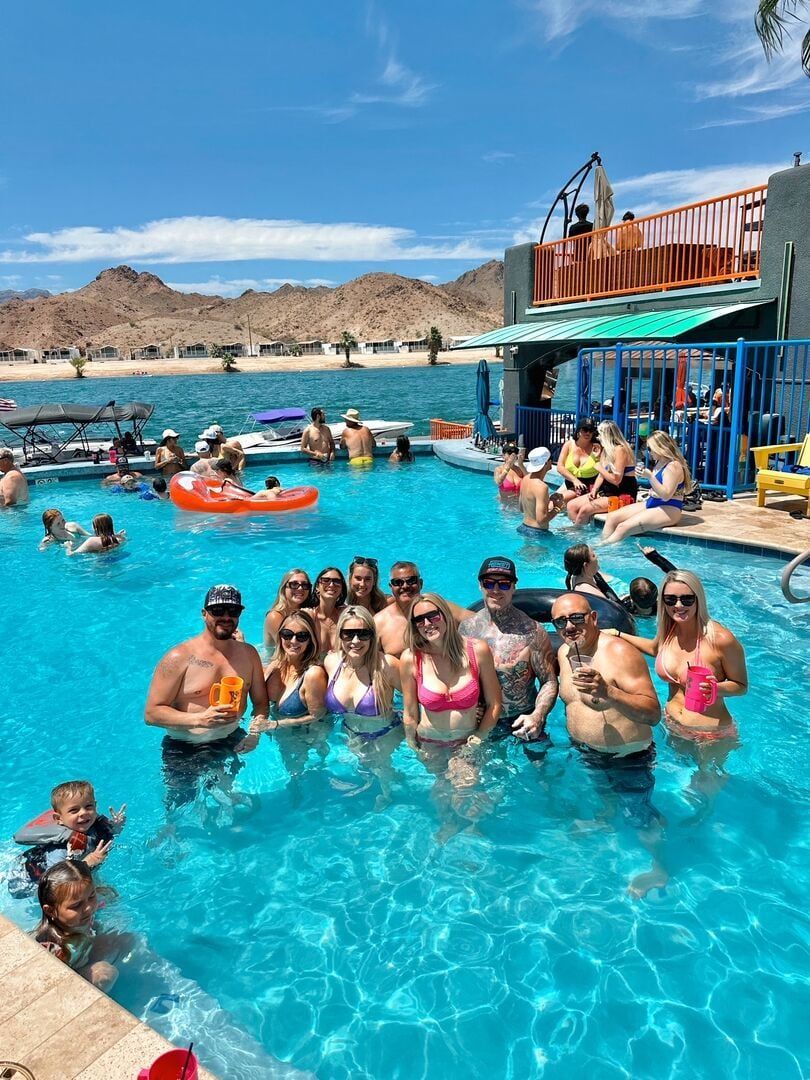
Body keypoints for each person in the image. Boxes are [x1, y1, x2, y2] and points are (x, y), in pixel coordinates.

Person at [551, 592, 666, 895]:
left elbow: (653, 713)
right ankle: (604, 818)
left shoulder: (619, 652)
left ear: (594, 618)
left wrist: (609, 692)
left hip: (628, 756)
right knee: (604, 796)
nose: (569, 626)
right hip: (588, 752)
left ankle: (660, 868)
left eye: (577, 618)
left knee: (639, 815)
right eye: (560, 621)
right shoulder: (565, 652)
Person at [144, 585, 269, 808]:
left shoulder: (249, 655)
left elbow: (260, 703)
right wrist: (199, 719)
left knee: (228, 800)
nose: (226, 617)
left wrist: (255, 734)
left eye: (233, 611)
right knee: (181, 809)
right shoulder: (179, 657)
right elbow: (152, 713)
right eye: (218, 610)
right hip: (185, 746)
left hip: (231, 740)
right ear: (204, 614)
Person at [610, 570, 747, 744]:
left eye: (687, 599)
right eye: (671, 599)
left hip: (710, 734)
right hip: (672, 724)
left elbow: (741, 686)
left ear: (699, 599)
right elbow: (654, 648)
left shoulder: (720, 639)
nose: (679, 605)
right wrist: (617, 634)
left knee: (706, 773)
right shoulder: (670, 629)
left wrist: (715, 689)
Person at [459, 557, 558, 747]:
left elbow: (549, 681)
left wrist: (537, 716)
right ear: (480, 585)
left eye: (504, 584)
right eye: (489, 583)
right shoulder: (467, 629)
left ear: (514, 587)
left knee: (541, 770)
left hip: (523, 719)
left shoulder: (532, 631)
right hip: (481, 721)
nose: (496, 590)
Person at [400, 593, 501, 752]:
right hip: (428, 743)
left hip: (468, 742)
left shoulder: (477, 650)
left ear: (445, 615)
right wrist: (413, 746)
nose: (427, 623)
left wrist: (479, 738)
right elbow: (410, 713)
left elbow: (494, 704)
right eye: (419, 620)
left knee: (464, 778)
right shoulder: (411, 659)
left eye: (432, 616)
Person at [33, 861, 131, 990]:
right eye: (76, 905)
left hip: (86, 950)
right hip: (75, 972)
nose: (89, 908)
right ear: (51, 911)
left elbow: (105, 893)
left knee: (126, 939)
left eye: (91, 896)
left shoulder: (80, 917)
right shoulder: (52, 948)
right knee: (104, 974)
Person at [324, 606, 402, 742]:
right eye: (348, 634)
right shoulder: (332, 662)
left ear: (372, 636)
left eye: (363, 634)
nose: (355, 641)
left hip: (385, 738)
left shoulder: (387, 665)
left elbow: (418, 699)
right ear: (339, 635)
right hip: (347, 737)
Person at [600, 431, 692, 546]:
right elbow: (660, 489)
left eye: (650, 448)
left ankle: (602, 550)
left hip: (669, 508)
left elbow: (666, 495)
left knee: (622, 527)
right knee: (612, 517)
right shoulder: (660, 462)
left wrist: (650, 476)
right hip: (653, 502)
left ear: (660, 447)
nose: (648, 452)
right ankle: (603, 544)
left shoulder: (673, 466)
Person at [375, 561, 471, 657]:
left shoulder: (440, 608)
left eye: (411, 580)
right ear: (391, 587)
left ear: (420, 583)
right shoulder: (379, 622)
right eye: (398, 582)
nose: (405, 586)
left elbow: (479, 620)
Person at [567, 420, 637, 526]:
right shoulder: (607, 449)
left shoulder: (620, 450)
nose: (597, 437)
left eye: (599, 434)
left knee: (585, 510)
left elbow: (616, 480)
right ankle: (578, 531)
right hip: (606, 491)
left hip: (620, 493)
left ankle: (578, 534)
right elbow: (601, 475)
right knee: (571, 506)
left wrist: (599, 467)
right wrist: (594, 490)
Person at [517, 447, 564, 535]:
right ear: (547, 463)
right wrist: (557, 508)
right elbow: (541, 520)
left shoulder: (525, 479)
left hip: (523, 527)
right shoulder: (542, 487)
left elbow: (522, 508)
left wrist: (548, 500)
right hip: (537, 533)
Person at [263, 568, 313, 650]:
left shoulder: (307, 611)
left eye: (305, 585)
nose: (300, 588)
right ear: (284, 588)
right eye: (294, 584)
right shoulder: (275, 617)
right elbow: (287, 649)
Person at [556, 420, 600, 505]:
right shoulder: (569, 445)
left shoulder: (597, 447)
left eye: (591, 430)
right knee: (551, 503)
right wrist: (575, 480)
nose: (588, 433)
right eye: (585, 430)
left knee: (558, 502)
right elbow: (560, 467)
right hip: (570, 483)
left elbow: (604, 469)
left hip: (589, 486)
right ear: (578, 431)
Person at [310, 566, 348, 656]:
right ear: (317, 587)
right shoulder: (309, 616)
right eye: (326, 580)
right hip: (314, 668)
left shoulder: (346, 616)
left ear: (342, 589)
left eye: (337, 581)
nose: (331, 585)